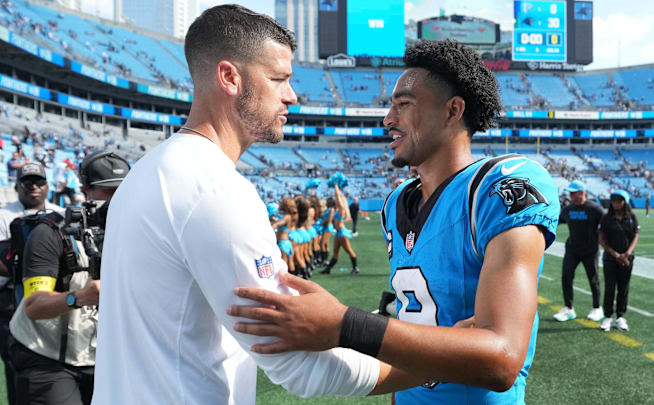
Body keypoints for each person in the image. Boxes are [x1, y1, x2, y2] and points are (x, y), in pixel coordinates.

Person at [228, 39, 560, 404]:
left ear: (452, 110)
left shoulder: (498, 187)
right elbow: (407, 321)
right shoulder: (396, 204)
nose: (388, 118)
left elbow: (501, 358)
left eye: (404, 104)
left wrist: (344, 325)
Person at [92, 6, 395, 404]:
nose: (292, 95)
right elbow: (297, 364)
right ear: (230, 77)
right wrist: (438, 362)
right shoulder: (213, 188)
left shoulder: (147, 172)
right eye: (279, 79)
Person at [9, 152, 129, 405]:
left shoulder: (137, 232)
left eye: (124, 190)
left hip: (101, 358)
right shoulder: (50, 233)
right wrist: (80, 297)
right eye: (108, 191)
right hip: (46, 355)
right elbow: (34, 306)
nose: (118, 198)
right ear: (85, 190)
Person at [0, 163, 63, 405]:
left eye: (39, 182)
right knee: (16, 360)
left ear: (48, 186)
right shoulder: (4, 215)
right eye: (28, 183)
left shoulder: (60, 211)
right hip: (12, 297)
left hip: (53, 294)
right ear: (17, 186)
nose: (34, 187)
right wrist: (28, 271)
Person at [552, 180, 604, 323]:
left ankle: (597, 308)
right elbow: (558, 220)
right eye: (570, 193)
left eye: (573, 193)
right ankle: (569, 309)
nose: (571, 196)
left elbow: (606, 225)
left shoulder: (595, 209)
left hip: (590, 250)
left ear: (582, 193)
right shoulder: (568, 209)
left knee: (593, 279)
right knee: (566, 277)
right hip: (572, 249)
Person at [598, 190, 639, 332]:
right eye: (613, 200)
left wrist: (627, 253)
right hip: (610, 258)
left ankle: (620, 316)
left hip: (627, 259)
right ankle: (607, 316)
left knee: (623, 288)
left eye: (619, 200)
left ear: (624, 202)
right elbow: (601, 239)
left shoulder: (632, 217)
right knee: (610, 287)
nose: (615, 203)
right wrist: (616, 255)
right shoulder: (606, 218)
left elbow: (635, 236)